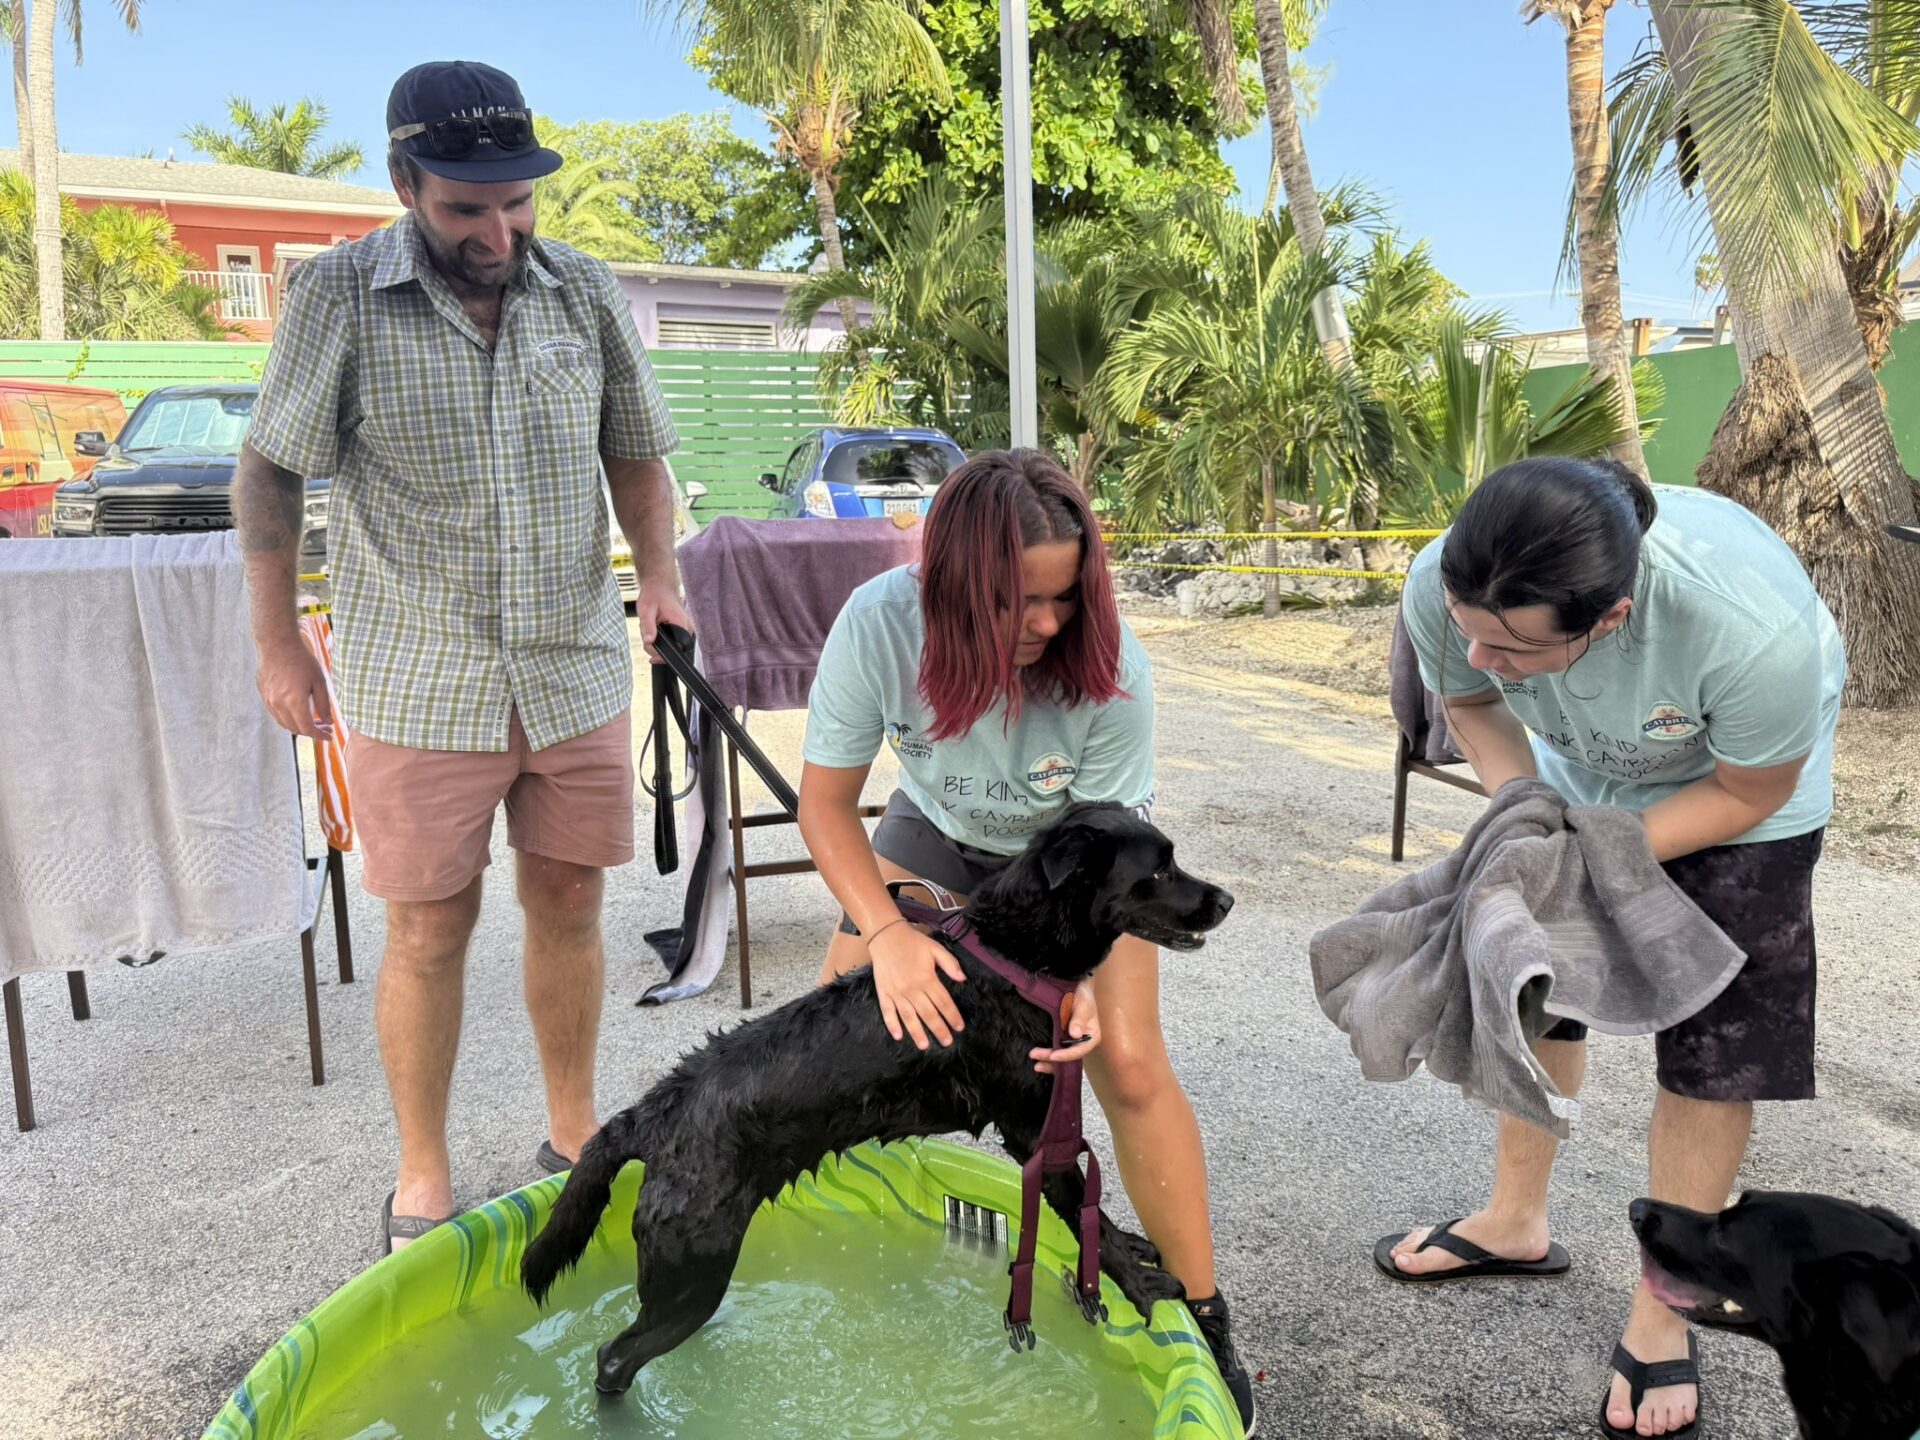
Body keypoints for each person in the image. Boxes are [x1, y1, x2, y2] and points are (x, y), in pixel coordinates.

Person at [233, 60, 690, 1254]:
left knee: (571, 902)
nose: (498, 232)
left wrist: (666, 584)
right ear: (402, 184)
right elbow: (270, 470)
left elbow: (637, 456)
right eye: (464, 208)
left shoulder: (582, 291)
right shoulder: (336, 295)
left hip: (572, 663)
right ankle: (423, 1171)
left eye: (517, 202)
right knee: (430, 928)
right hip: (416, 675)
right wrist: (277, 640)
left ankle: (574, 1130)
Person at [794, 449, 1258, 1437]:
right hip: (933, 839)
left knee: (1125, 1060)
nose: (1048, 625)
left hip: (1074, 866)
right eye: (1019, 605)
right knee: (838, 1032)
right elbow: (826, 807)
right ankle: (846, 1258)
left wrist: (1070, 981)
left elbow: (1103, 860)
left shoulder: (1109, 666)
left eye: (1064, 598)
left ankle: (1206, 1313)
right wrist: (886, 931)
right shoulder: (878, 624)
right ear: (950, 590)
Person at [1388, 457, 1845, 1439]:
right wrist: (1539, 819)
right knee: (1537, 984)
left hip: (1741, 799)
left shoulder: (1746, 631)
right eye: (1471, 629)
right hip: (1582, 774)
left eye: (1512, 645)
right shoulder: (1447, 585)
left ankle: (1664, 1303)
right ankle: (1515, 1222)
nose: (1482, 653)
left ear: (1610, 618)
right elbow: (1469, 704)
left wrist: (1615, 850)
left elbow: (1748, 791)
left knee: (1714, 1045)